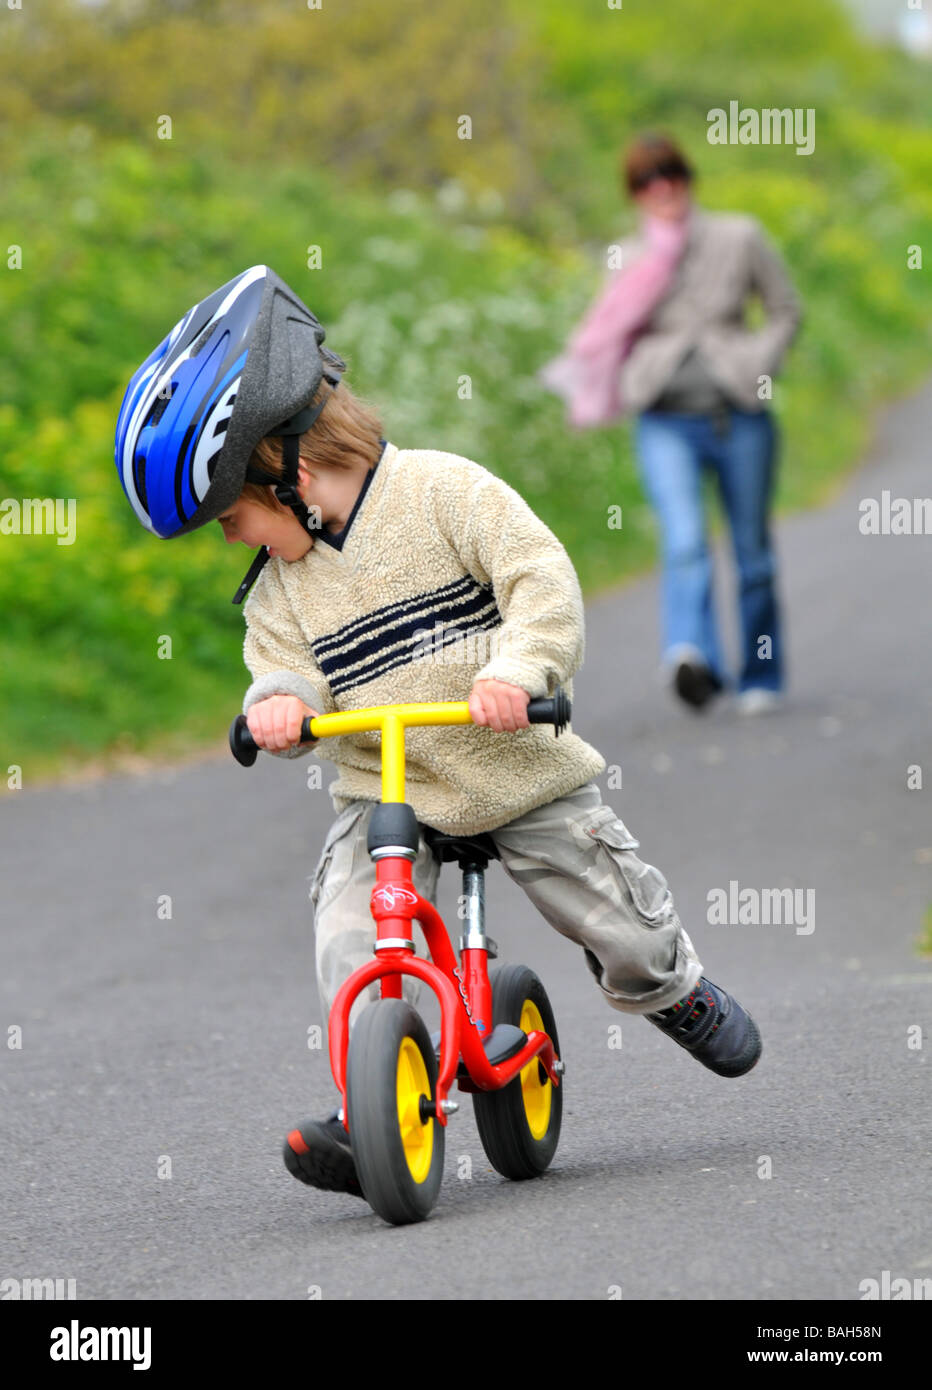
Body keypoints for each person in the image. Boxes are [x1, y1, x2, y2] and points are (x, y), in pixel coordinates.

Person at [115, 265, 762, 1200]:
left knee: (618, 924)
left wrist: (517, 671)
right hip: (389, 791)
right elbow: (281, 665)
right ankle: (374, 1094)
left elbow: (540, 580)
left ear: (284, 467)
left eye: (231, 514)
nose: (229, 538)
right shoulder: (279, 584)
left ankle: (672, 987)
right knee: (349, 924)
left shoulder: (442, 494)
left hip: (514, 766)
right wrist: (280, 705)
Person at [541, 134, 801, 713]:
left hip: (740, 416)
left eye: (670, 175)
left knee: (752, 552)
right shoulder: (628, 256)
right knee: (684, 541)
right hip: (663, 420)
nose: (661, 189)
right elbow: (608, 332)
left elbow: (786, 308)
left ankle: (762, 673)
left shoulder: (740, 235)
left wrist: (761, 360)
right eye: (645, 181)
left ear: (688, 178)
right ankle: (692, 656)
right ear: (634, 194)